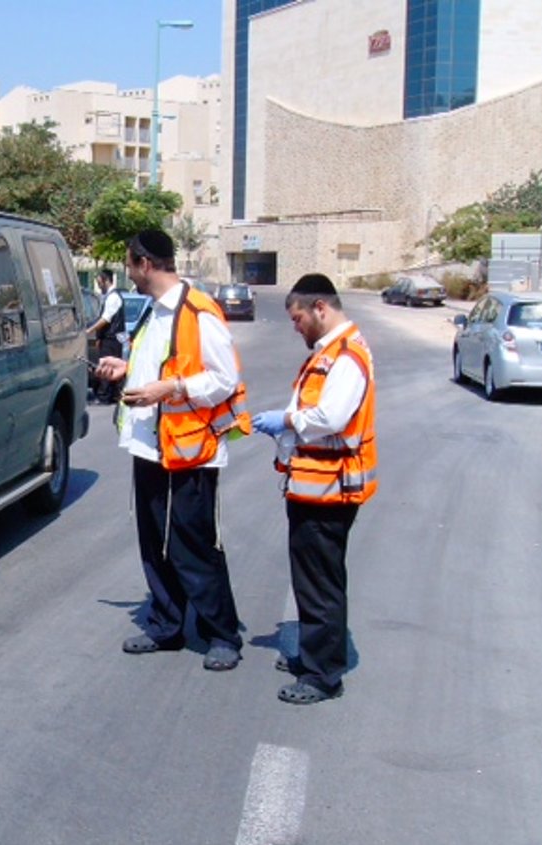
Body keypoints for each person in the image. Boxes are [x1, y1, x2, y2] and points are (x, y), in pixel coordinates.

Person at [95, 229, 251, 671]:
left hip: (191, 450)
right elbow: (157, 363)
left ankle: (222, 634)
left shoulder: (199, 311)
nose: (128, 272)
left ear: (144, 264)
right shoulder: (152, 313)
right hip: (150, 446)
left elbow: (224, 379)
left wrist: (170, 389)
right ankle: (167, 625)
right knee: (154, 542)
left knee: (193, 544)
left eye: (130, 264)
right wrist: (125, 369)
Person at [251, 273, 377, 705]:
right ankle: (315, 654)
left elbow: (330, 417)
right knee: (312, 579)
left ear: (320, 308)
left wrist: (284, 422)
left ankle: (324, 675)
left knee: (320, 583)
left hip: (330, 490)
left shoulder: (346, 356)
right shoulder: (330, 353)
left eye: (298, 317)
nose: (295, 326)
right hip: (314, 488)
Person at [87, 269, 126, 402]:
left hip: (112, 339)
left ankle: (104, 395)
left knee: (106, 366)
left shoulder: (113, 297)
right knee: (111, 366)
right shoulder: (108, 297)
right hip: (108, 339)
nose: (99, 286)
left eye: (99, 283)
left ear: (106, 281)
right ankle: (115, 394)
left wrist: (89, 331)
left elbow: (106, 319)